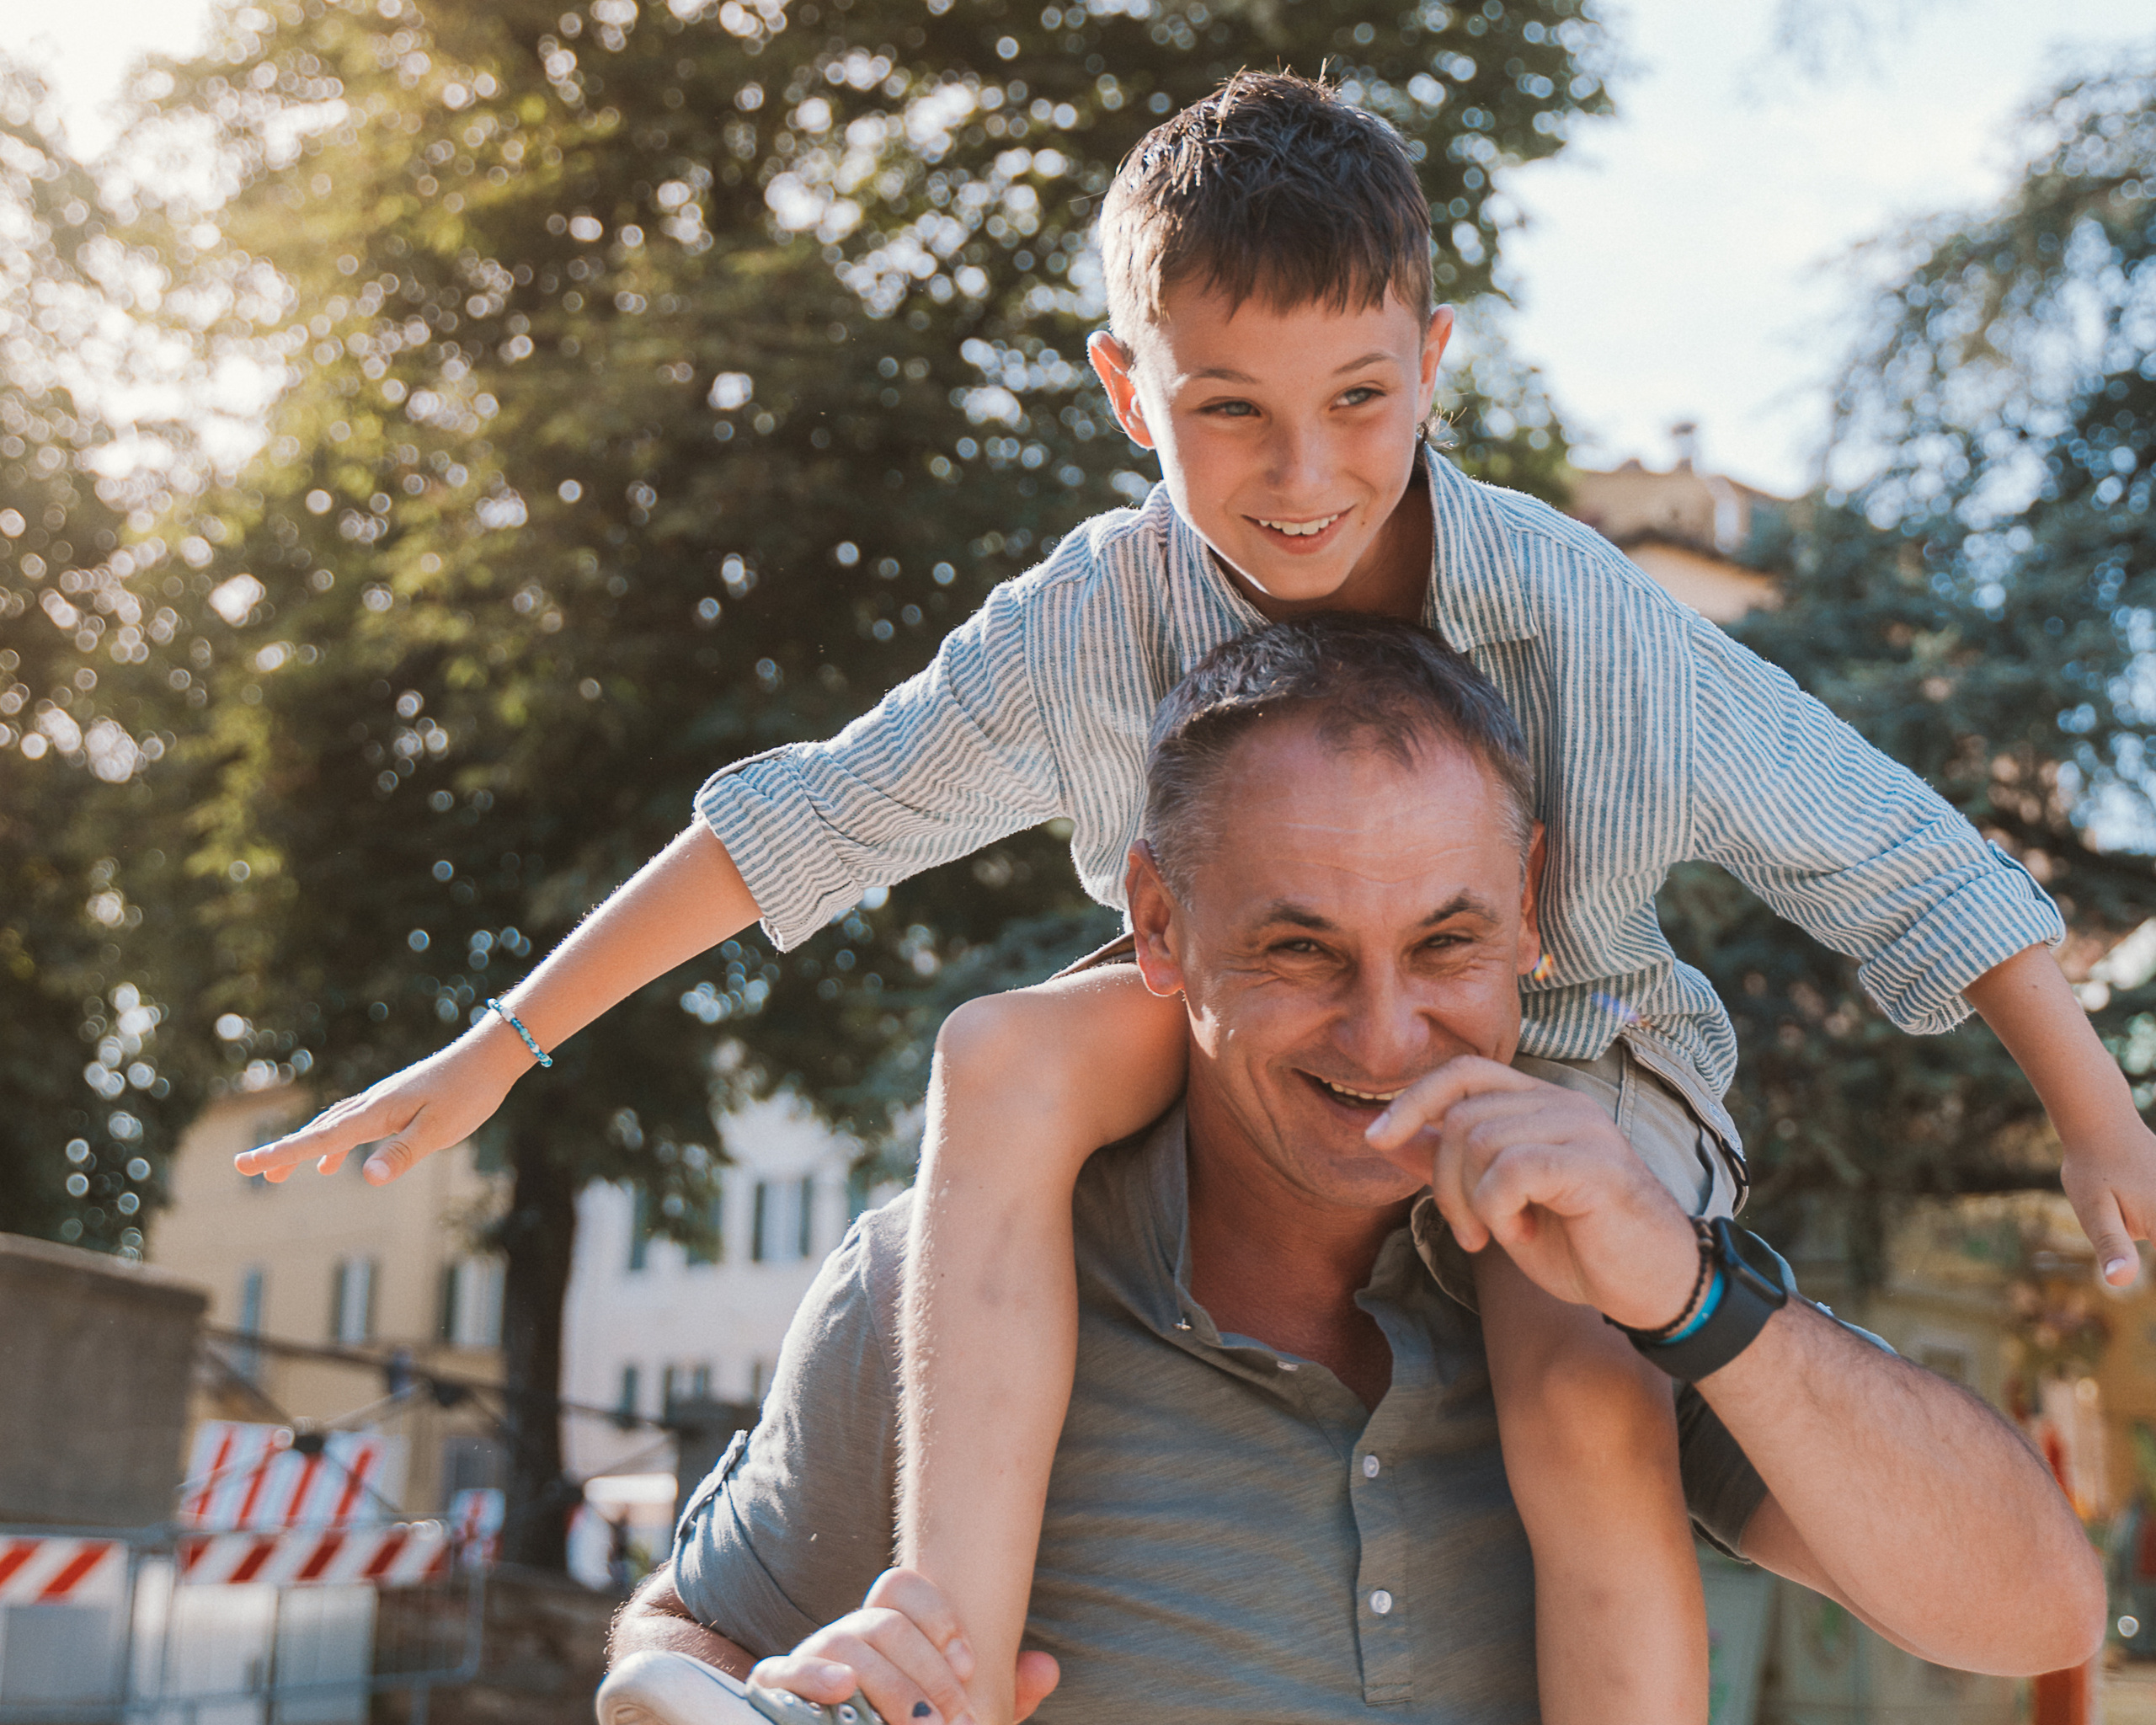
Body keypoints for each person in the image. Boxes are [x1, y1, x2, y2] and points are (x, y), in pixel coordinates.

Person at [235, 71, 2155, 1725]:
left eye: (1355, 401)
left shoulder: (1584, 613)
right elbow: (819, 815)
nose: (1303, 481)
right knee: (998, 1055)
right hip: (1208, 1013)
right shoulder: (1100, 611)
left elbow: (1877, 835)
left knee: (1582, 1389)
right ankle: (951, 1636)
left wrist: (2088, 1109)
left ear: (1433, 362)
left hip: (1579, 1043)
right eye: (1229, 410)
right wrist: (506, 1041)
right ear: (1127, 395)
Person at [607, 615, 2105, 1724]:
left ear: (1530, 909)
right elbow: (677, 1648)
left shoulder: (1610, 1298)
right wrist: (776, 1702)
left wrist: (1697, 1298)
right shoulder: (933, 1281)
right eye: (1299, 949)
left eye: (1447, 942)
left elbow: (2037, 1609)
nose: (1388, 1037)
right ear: (1160, 924)